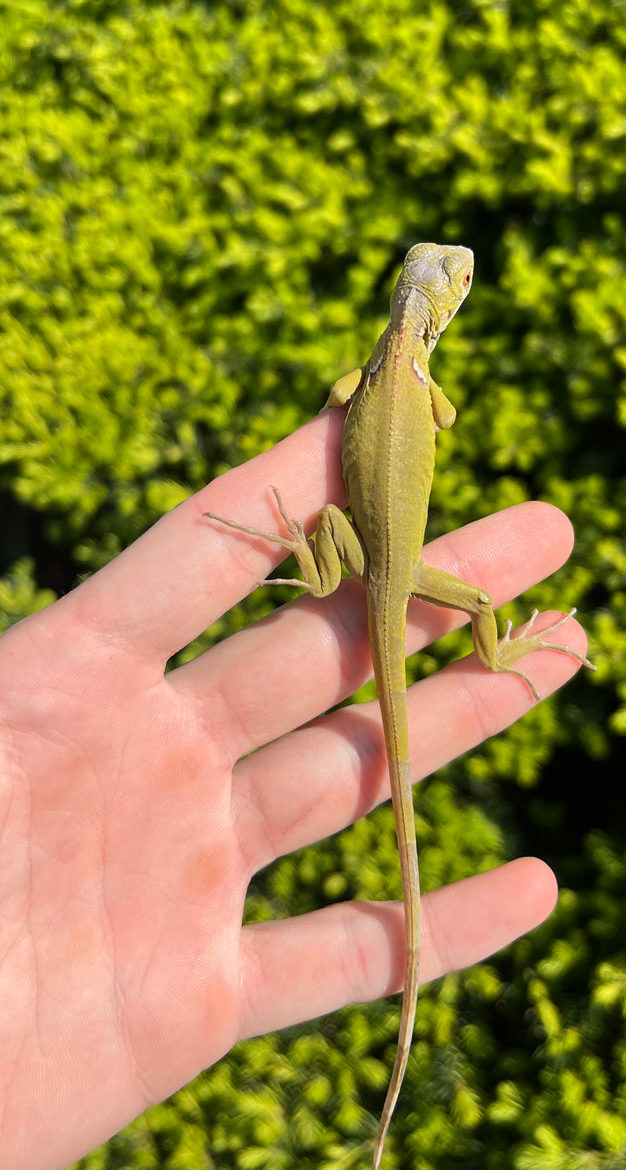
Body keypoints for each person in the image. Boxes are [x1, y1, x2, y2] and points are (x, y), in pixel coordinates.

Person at [0, 406, 588, 1168]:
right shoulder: (425, 394)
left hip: (368, 562)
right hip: (395, 572)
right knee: (478, 602)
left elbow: (348, 401)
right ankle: (498, 656)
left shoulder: (369, 379)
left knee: (440, 616)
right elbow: (436, 415)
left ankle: (310, 563)